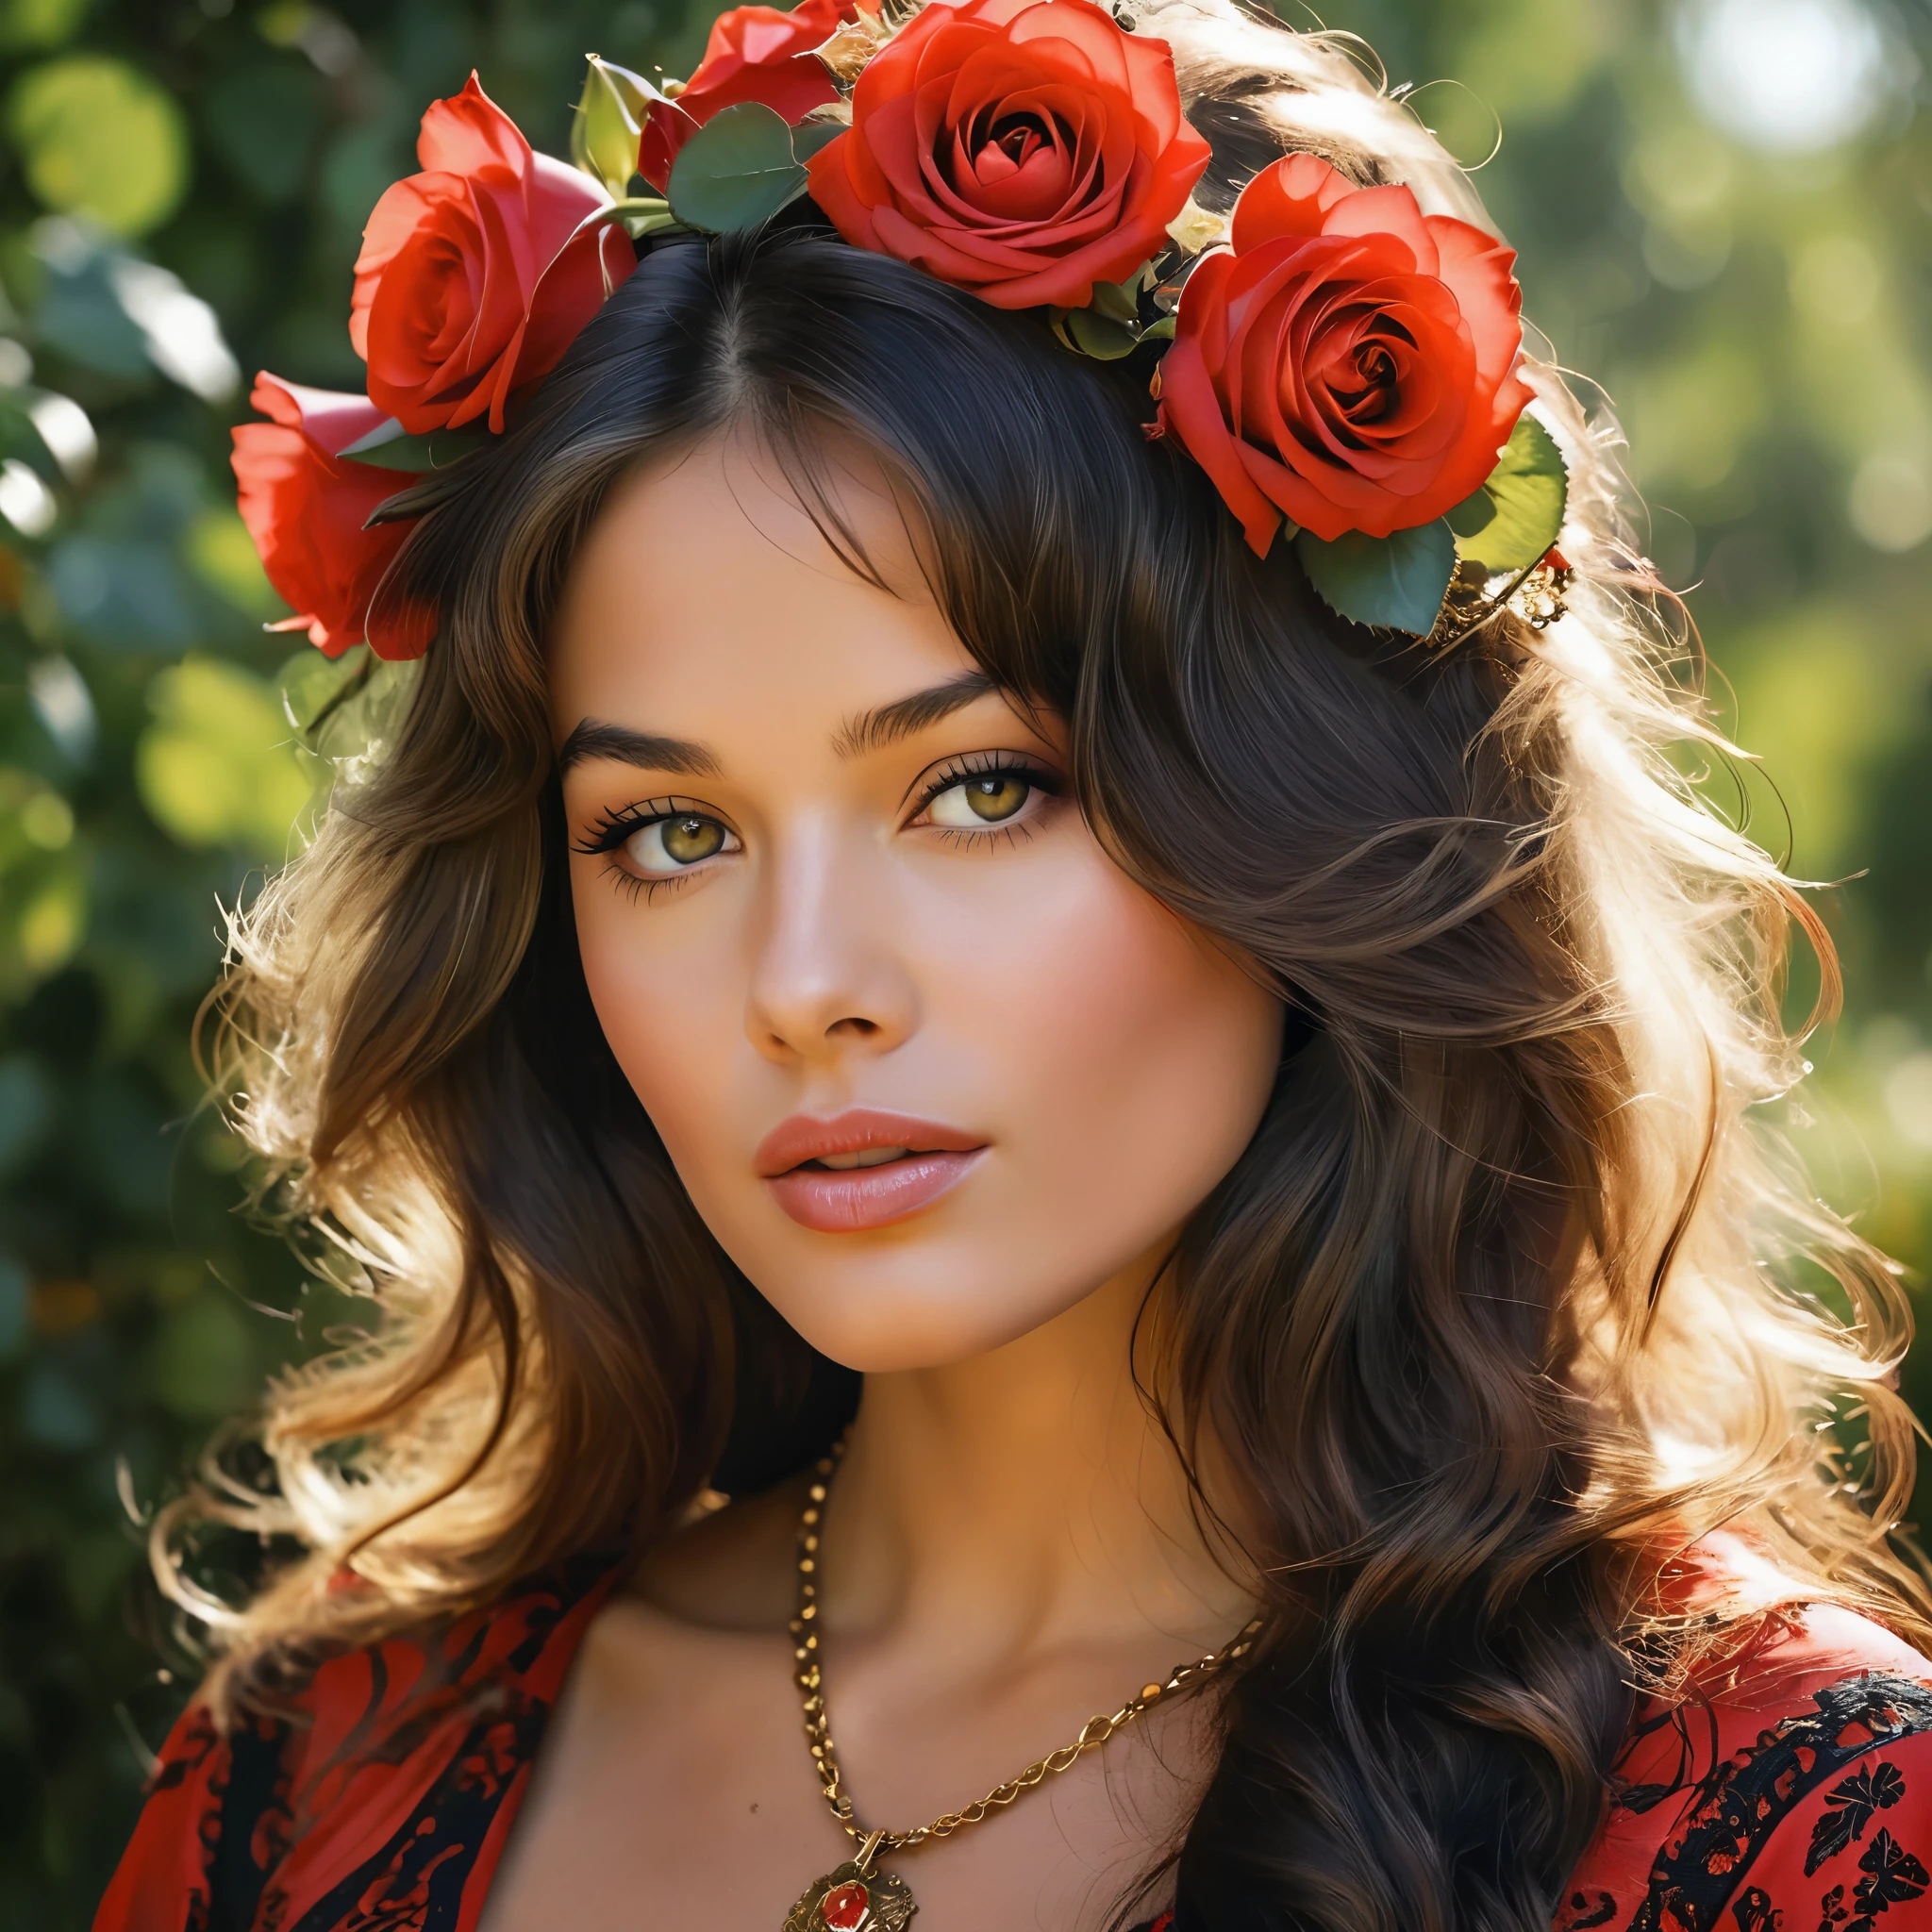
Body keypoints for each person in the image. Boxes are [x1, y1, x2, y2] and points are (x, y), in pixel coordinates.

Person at [93, 0, 1932, 1927]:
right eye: (670, 834)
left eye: (981, 790)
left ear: (1311, 798)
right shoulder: (322, 1765)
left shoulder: (1807, 1834)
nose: (803, 983)